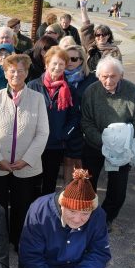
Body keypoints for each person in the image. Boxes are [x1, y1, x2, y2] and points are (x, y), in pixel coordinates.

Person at [19, 169, 111, 268]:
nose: (77, 219)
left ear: (92, 209)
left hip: (74, 267)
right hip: (46, 266)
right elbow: (31, 258)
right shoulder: (38, 210)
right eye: (72, 211)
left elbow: (99, 253)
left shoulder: (98, 215)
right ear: (62, 204)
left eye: (85, 213)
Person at [0, 54, 49, 251]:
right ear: (5, 73)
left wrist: (27, 159)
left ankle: (20, 242)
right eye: (12, 70)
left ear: (27, 73)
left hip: (26, 167)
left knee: (24, 207)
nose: (16, 74)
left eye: (21, 70)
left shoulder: (37, 99)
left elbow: (43, 132)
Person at [81, 57, 135, 231]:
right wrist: (104, 140)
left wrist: (119, 137)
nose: (108, 81)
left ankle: (105, 219)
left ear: (121, 75)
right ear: (98, 76)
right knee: (87, 184)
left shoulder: (134, 92)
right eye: (104, 76)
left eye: (113, 76)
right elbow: (86, 122)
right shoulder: (91, 91)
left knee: (117, 190)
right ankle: (86, 216)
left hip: (121, 149)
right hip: (95, 144)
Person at [27, 47, 80, 196]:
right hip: (34, 143)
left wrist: (63, 134)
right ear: (46, 64)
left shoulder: (70, 90)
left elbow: (75, 117)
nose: (57, 68)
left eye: (61, 64)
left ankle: (46, 213)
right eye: (54, 63)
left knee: (49, 184)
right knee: (32, 183)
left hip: (55, 144)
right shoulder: (33, 86)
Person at [61, 44, 97, 185]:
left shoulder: (91, 80)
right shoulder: (59, 78)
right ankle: (67, 193)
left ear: (82, 60)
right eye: (66, 58)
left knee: (80, 163)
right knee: (67, 160)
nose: (69, 62)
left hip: (83, 128)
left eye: (74, 59)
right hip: (65, 126)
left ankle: (81, 193)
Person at [78, 0, 122, 73]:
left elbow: (117, 70)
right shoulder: (90, 46)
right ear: (95, 37)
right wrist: (83, 8)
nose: (101, 37)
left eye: (104, 34)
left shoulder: (114, 50)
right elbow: (86, 27)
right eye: (98, 35)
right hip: (89, 79)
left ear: (108, 36)